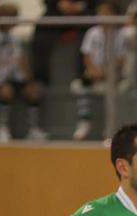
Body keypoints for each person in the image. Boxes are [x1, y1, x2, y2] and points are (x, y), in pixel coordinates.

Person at [0, 1, 47, 141]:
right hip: (0, 78)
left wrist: (30, 80)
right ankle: (2, 127)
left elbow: (22, 60)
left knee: (34, 92)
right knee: (6, 91)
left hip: (16, 78)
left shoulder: (14, 39)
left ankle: (33, 129)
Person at [74, 1, 134, 141]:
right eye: (100, 12)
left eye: (107, 13)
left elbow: (121, 59)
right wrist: (93, 70)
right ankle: (84, 121)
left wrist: (108, 72)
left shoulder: (122, 34)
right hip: (95, 73)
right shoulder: (92, 32)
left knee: (111, 89)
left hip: (114, 73)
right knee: (84, 83)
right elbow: (87, 55)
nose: (103, 16)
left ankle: (110, 127)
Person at [30, 0, 90, 140]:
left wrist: (80, 5)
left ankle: (83, 75)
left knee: (89, 32)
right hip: (56, 11)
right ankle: (40, 77)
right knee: (42, 30)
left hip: (85, 12)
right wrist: (59, 4)